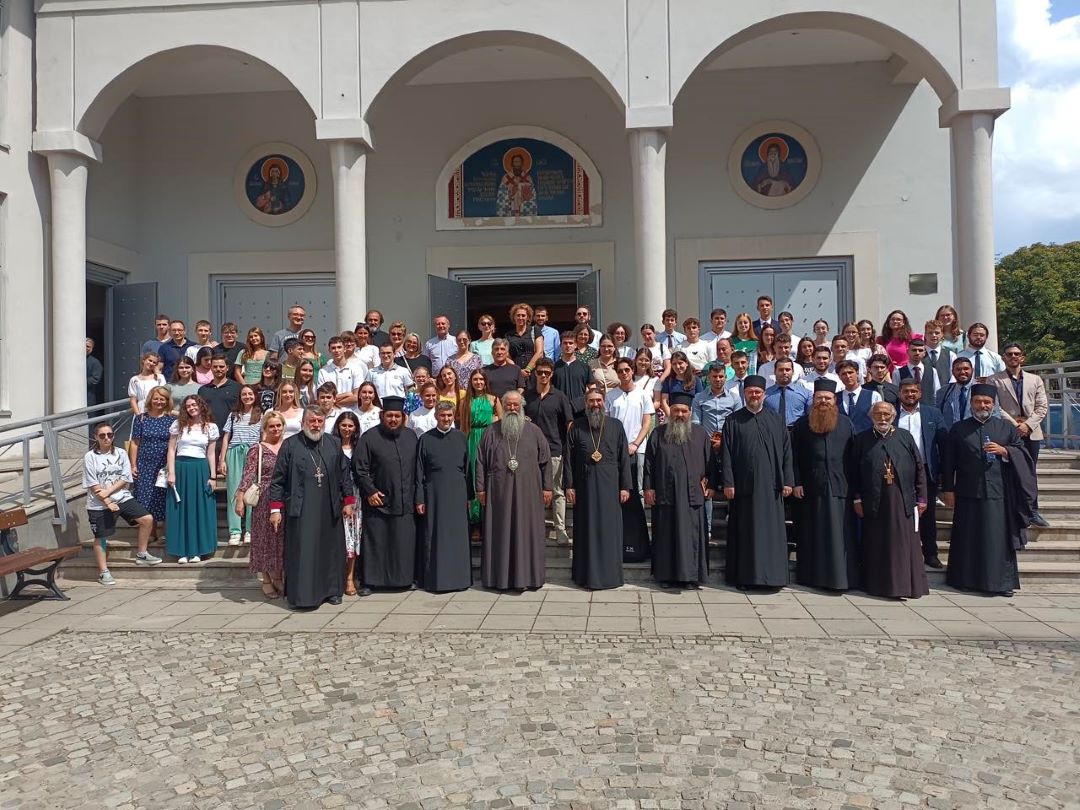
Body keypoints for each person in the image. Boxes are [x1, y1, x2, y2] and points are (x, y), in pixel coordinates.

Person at [940, 384, 1037, 597]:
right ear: (971, 403)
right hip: (967, 492)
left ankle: (1001, 583)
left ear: (993, 404)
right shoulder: (958, 429)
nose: (982, 405)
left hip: (998, 492)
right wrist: (948, 489)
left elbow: (1023, 454)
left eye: (987, 402)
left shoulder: (1006, 428)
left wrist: (1005, 451)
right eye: (978, 401)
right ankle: (964, 580)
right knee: (968, 538)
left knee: (997, 540)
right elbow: (948, 462)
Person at [269, 406, 356, 608]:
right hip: (302, 509)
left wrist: (349, 501)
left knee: (330, 551)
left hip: (329, 508)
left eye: (319, 421)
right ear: (303, 422)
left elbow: (344, 474)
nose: (316, 425)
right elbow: (278, 479)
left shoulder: (333, 443)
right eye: (312, 421)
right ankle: (302, 597)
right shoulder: (291, 445)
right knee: (303, 552)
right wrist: (275, 509)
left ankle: (332, 592)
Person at [721, 376, 793, 590]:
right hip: (744, 489)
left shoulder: (776, 420)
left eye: (758, 392)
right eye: (750, 392)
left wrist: (788, 480)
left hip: (771, 489)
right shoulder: (733, 421)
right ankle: (746, 578)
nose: (754, 395)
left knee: (771, 534)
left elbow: (787, 452)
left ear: (764, 394)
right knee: (746, 533)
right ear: (744, 394)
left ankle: (773, 578)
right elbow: (726, 454)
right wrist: (728, 482)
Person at [475, 390, 552, 590]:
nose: (512, 408)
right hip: (498, 494)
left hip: (529, 493)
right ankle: (499, 578)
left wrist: (547, 488)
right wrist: (480, 488)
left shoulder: (534, 431)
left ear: (521, 406)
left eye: (515, 405)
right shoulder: (491, 431)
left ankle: (528, 577)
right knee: (500, 532)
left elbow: (545, 462)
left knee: (527, 532)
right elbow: (480, 461)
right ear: (502, 406)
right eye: (508, 404)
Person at [852, 402, 930, 599]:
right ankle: (877, 585)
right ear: (871, 417)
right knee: (877, 543)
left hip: (902, 500)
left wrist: (922, 498)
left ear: (893, 416)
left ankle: (904, 586)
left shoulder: (905, 437)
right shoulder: (862, 439)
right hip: (874, 501)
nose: (882, 418)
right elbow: (853, 472)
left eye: (886, 414)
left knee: (903, 544)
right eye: (878, 414)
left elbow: (919, 468)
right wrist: (857, 499)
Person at [790, 380, 858, 590]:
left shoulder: (846, 424)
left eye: (827, 398)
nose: (823, 401)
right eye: (819, 397)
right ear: (813, 399)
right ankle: (813, 577)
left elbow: (854, 458)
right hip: (811, 488)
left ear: (834, 400)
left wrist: (856, 490)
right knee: (813, 534)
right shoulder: (802, 425)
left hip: (840, 487)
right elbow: (793, 457)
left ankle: (841, 578)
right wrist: (797, 482)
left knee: (840, 535)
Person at [644, 391, 713, 588]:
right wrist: (648, 488)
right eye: (676, 410)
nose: (680, 415)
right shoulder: (658, 433)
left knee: (692, 538)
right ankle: (666, 576)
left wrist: (711, 485)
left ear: (690, 412)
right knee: (666, 537)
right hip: (666, 494)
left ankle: (691, 577)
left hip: (693, 496)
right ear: (670, 411)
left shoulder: (700, 434)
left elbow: (710, 463)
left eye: (684, 411)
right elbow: (649, 463)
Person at [565, 388, 632, 589]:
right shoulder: (576, 426)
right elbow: (568, 458)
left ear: (604, 402)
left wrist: (625, 486)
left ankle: (610, 576)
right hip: (584, 485)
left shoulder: (615, 425)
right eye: (592, 401)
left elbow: (623, 457)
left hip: (610, 486)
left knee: (609, 530)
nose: (595, 404)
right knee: (586, 529)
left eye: (599, 400)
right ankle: (585, 575)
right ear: (586, 403)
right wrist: (569, 485)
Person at [353, 396, 420, 594]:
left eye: (397, 416)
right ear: (382, 415)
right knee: (377, 543)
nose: (393, 420)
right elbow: (359, 468)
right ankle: (370, 582)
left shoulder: (411, 437)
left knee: (403, 543)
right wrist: (370, 491)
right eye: (389, 416)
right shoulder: (369, 438)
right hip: (378, 502)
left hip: (405, 501)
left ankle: (404, 580)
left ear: (403, 417)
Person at [84, 421, 161, 585]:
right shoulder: (90, 456)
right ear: (96, 437)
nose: (106, 438)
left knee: (147, 519)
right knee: (101, 537)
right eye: (102, 435)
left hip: (122, 497)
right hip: (98, 503)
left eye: (110, 435)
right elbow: (93, 484)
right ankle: (103, 572)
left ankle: (142, 554)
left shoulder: (120, 453)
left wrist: (108, 493)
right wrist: (107, 501)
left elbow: (125, 478)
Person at [414, 402, 472, 593]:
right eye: (442, 415)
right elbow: (419, 471)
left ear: (453, 416)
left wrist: (469, 496)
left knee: (457, 536)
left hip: (457, 493)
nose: (446, 419)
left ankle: (460, 579)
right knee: (435, 535)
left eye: (449, 415)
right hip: (434, 493)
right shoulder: (425, 439)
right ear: (436, 416)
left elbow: (468, 468)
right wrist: (420, 498)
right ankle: (436, 580)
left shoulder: (461, 438)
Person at [991, 342, 1050, 526]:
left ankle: (1032, 511)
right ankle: (1011, 510)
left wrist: (1027, 425)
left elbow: (1042, 406)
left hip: (1031, 433)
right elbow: (995, 407)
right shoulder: (995, 380)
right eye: (1009, 354)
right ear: (1003, 358)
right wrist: (1015, 425)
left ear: (1023, 357)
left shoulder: (1035, 379)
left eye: (1016, 354)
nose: (1013, 357)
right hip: (1008, 432)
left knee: (1029, 473)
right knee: (1009, 471)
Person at [895, 378, 948, 568]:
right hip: (897, 471)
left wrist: (943, 473)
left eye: (913, 391)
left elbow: (943, 443)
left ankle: (930, 554)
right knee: (899, 513)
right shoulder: (892, 413)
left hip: (925, 471)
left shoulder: (932, 413)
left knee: (927, 514)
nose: (910, 395)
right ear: (899, 394)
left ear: (920, 393)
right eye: (906, 391)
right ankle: (902, 554)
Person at [605, 360, 653, 559]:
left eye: (627, 370)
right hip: (614, 453)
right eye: (620, 371)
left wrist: (635, 443)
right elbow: (607, 422)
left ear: (632, 371)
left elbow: (647, 422)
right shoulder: (610, 395)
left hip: (636, 450)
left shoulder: (643, 394)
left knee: (635, 493)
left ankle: (638, 541)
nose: (624, 373)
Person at [236, 411, 286, 598]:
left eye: (278, 425)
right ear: (265, 428)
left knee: (280, 539)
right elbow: (248, 474)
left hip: (284, 497)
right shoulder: (257, 448)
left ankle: (278, 577)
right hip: (264, 498)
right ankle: (266, 579)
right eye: (271, 426)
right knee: (263, 540)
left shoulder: (288, 446)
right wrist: (240, 498)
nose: (275, 429)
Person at [524, 359, 574, 545]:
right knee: (531, 491)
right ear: (535, 373)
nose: (543, 375)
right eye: (540, 372)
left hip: (554, 450)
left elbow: (569, 423)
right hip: (530, 452)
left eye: (546, 372)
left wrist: (568, 448)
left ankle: (560, 530)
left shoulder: (560, 396)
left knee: (557, 491)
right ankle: (533, 528)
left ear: (552, 374)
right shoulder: (527, 397)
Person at [165, 395, 219, 564]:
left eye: (194, 404)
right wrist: (171, 473)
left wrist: (213, 476)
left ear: (200, 405)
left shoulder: (210, 427)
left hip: (200, 469)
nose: (191, 408)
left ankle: (197, 551)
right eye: (188, 406)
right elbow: (171, 450)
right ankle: (182, 551)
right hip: (181, 468)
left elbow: (211, 453)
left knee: (199, 509)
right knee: (180, 509)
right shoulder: (178, 425)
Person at [691, 364, 740, 536]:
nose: (718, 380)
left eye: (721, 376)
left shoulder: (734, 399)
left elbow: (738, 425)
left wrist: (723, 442)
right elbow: (696, 424)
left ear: (725, 377)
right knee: (707, 486)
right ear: (708, 377)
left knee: (731, 482)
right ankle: (708, 528)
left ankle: (732, 518)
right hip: (706, 447)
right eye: (714, 376)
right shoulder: (699, 398)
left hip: (728, 447)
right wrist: (708, 443)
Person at [128, 386, 175, 539]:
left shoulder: (172, 420)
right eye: (156, 398)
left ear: (167, 401)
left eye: (162, 399)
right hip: (145, 464)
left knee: (163, 497)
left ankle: (166, 532)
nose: (159, 402)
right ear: (150, 399)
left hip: (164, 464)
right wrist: (133, 465)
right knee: (146, 498)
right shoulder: (141, 419)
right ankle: (150, 531)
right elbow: (134, 443)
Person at [459, 369, 501, 532]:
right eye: (475, 379)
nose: (478, 382)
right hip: (471, 438)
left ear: (485, 381)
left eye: (481, 379)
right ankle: (475, 521)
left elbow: (502, 421)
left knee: (489, 474)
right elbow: (463, 425)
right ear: (471, 382)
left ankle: (490, 518)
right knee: (474, 474)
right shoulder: (465, 401)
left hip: (489, 438)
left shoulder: (493, 399)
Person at [220, 384, 262, 546]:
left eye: (250, 394)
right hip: (234, 452)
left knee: (251, 490)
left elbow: (263, 436)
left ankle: (249, 530)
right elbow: (226, 437)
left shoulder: (261, 414)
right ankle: (235, 531)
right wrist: (222, 459)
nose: (247, 397)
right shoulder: (233, 415)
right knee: (234, 490)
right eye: (244, 394)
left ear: (255, 396)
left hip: (253, 452)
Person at [330, 412, 362, 595]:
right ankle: (336, 578)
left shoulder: (360, 447)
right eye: (344, 425)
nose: (347, 429)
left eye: (350, 425)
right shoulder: (331, 445)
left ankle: (350, 578)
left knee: (353, 538)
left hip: (355, 498)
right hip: (336, 496)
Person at [198, 353, 241, 432]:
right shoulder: (203, 390)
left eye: (221, 366)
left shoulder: (237, 388)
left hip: (231, 433)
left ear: (227, 368)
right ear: (211, 368)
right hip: (208, 432)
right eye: (215, 366)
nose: (218, 369)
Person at [318, 336, 363, 410]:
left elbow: (357, 397)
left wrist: (333, 401)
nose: (336, 350)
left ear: (344, 349)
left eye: (339, 347)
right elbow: (322, 398)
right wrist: (348, 394)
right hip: (331, 413)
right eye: (333, 348)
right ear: (329, 350)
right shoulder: (323, 372)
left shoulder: (356, 369)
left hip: (352, 412)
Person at [764, 357, 811, 427]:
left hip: (796, 430)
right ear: (774, 372)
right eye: (781, 370)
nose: (784, 373)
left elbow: (810, 416)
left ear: (793, 372)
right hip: (773, 429)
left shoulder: (806, 394)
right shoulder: (765, 395)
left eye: (787, 370)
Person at [836, 360, 881, 433]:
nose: (848, 376)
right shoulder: (835, 398)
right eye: (844, 374)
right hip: (843, 438)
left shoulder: (874, 395)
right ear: (839, 376)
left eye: (850, 372)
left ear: (857, 373)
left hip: (866, 437)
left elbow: (879, 419)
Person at [553, 331, 591, 416]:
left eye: (571, 343)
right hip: (559, 412)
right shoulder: (554, 367)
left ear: (576, 345)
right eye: (565, 343)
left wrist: (581, 403)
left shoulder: (584, 367)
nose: (568, 345)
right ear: (560, 345)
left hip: (580, 412)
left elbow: (592, 389)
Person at [936, 356, 976, 428]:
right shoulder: (943, 392)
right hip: (951, 432)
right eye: (958, 369)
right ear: (952, 372)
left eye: (966, 369)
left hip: (974, 432)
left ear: (972, 370)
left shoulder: (981, 389)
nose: (962, 372)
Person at [505, 302, 544, 375]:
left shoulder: (535, 331)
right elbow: (507, 356)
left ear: (528, 317)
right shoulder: (508, 335)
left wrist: (528, 369)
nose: (520, 318)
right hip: (515, 373)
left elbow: (539, 352)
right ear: (514, 317)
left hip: (533, 372)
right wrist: (518, 371)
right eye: (518, 315)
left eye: (523, 315)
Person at [660, 351, 703, 417]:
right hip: (672, 416)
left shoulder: (696, 380)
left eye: (680, 363)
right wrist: (670, 417)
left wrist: (693, 417)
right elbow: (664, 401)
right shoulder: (668, 380)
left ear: (686, 363)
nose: (677, 366)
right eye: (674, 364)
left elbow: (699, 400)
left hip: (690, 416)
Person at [922, 319, 954, 399]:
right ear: (925, 335)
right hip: (924, 397)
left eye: (937, 333)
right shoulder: (919, 354)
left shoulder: (950, 355)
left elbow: (953, 378)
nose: (934, 335)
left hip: (945, 397)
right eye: (930, 333)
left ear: (942, 334)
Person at [86, 338, 104, 406]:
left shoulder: (95, 362)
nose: (85, 348)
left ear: (92, 348)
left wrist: (80, 383)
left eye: (88, 346)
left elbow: (95, 379)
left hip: (88, 398)